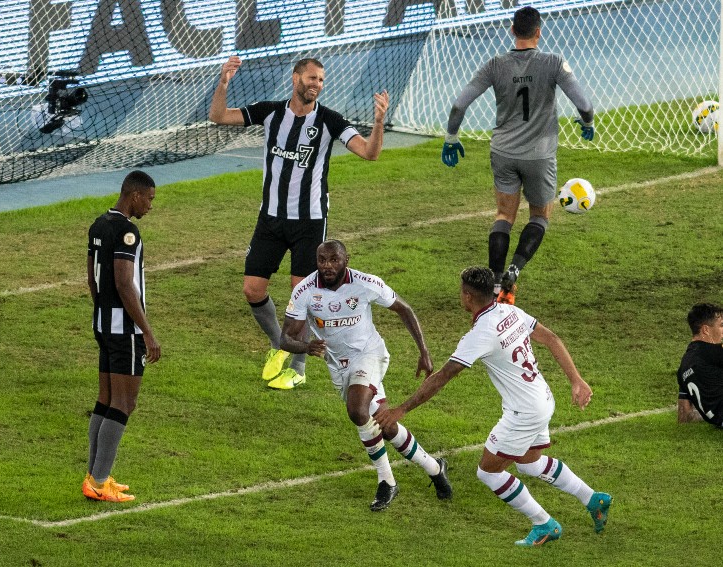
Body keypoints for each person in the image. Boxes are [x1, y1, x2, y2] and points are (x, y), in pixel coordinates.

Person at [376, 266, 611, 545]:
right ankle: (592, 499)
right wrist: (576, 380)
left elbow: (442, 377)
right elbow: (551, 338)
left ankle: (544, 524)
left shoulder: (480, 334)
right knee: (529, 465)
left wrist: (401, 409)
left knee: (488, 472)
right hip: (543, 399)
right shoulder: (509, 311)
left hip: (524, 412)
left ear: (467, 296)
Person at [209, 56, 390, 389]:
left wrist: (378, 122)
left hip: (309, 222)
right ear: (295, 79)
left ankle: (299, 367)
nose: (316, 84)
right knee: (252, 289)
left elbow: (370, 153)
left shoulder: (331, 121)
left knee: (301, 293)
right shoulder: (270, 112)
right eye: (311, 77)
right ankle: (280, 342)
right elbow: (218, 116)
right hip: (271, 217)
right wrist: (222, 84)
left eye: (320, 80)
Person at [280, 240, 452, 511]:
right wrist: (306, 346)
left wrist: (424, 352)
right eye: (322, 260)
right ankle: (434, 467)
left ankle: (387, 482)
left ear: (346, 259)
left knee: (357, 410)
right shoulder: (305, 291)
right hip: (338, 366)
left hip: (370, 354)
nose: (327, 266)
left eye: (334, 259)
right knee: (384, 425)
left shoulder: (365, 283)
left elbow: (404, 309)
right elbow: (286, 338)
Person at [440, 6, 595, 305]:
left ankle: (494, 282)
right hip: (540, 155)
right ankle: (514, 271)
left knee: (504, 216)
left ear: (512, 30)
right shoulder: (553, 62)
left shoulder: (495, 65)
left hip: (503, 152)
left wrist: (451, 137)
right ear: (539, 31)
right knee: (539, 216)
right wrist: (587, 122)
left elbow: (459, 104)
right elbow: (584, 104)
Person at [83, 170, 161, 502]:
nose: (150, 207)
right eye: (149, 199)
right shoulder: (128, 232)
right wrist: (146, 331)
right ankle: (100, 483)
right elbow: (124, 282)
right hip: (124, 330)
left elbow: (92, 278)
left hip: (102, 323)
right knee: (124, 403)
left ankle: (94, 477)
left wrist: (103, 312)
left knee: (105, 400)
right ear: (134, 195)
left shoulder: (99, 224)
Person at [677, 303, 723, 427]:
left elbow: (684, 415)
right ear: (706, 330)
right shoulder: (714, 352)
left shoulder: (683, 367)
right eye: (721, 325)